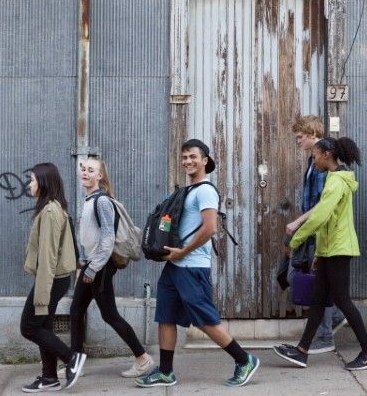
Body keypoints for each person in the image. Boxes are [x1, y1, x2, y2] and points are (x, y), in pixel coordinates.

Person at [135, 139, 260, 388]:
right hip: (174, 266)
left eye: (193, 157)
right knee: (166, 316)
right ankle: (166, 372)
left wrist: (182, 252)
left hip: (192, 266)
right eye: (184, 157)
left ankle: (244, 360)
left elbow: (210, 228)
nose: (188, 161)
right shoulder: (187, 190)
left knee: (204, 319)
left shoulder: (205, 190)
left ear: (205, 161)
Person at [273, 137, 367, 371]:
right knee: (318, 300)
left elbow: (320, 216)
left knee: (342, 300)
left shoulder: (336, 181)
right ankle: (302, 351)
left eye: (314, 155)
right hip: (330, 249)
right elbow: (327, 220)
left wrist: (296, 239)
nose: (313, 160)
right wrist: (319, 253)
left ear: (326, 154)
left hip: (339, 249)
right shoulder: (336, 179)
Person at [68, 158, 154, 377]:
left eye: (91, 171)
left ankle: (143, 359)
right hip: (92, 264)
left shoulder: (102, 201)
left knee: (110, 315)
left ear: (100, 177)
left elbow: (107, 239)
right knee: (76, 311)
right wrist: (84, 260)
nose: (85, 173)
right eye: (84, 169)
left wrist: (92, 267)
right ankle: (74, 363)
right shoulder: (90, 200)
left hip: (100, 267)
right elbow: (92, 236)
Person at [20, 162, 85, 392]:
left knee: (28, 327)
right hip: (57, 279)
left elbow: (47, 257)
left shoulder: (49, 212)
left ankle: (71, 359)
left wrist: (42, 292)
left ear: (44, 183)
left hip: (51, 279)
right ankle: (49, 378)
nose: (30, 183)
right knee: (44, 327)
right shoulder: (54, 207)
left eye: (33, 179)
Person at [286, 116, 347, 353]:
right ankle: (336, 317)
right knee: (301, 278)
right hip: (311, 230)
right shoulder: (314, 161)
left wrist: (299, 222)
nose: (298, 141)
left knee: (316, 281)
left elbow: (324, 203)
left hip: (319, 230)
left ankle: (325, 335)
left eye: (300, 136)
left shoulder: (323, 161)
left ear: (312, 134)